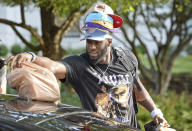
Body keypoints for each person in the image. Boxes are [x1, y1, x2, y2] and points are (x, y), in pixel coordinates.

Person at [6, 3, 168, 130]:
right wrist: (32, 56)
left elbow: (138, 91)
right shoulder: (80, 65)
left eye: (96, 42)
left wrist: (156, 112)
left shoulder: (126, 58)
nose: (91, 47)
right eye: (89, 41)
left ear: (109, 41)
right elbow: (54, 66)